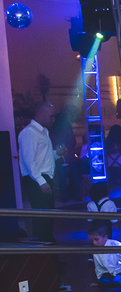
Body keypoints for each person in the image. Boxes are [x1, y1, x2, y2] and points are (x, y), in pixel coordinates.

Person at [18, 100, 56, 242]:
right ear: (42, 114)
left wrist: (57, 154)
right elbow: (29, 161)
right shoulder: (29, 132)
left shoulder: (42, 132)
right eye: (51, 116)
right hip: (37, 180)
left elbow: (41, 157)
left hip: (41, 178)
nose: (53, 119)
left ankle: (48, 253)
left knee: (48, 217)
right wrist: (41, 181)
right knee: (43, 219)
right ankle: (43, 254)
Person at [88, 220, 121, 286]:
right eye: (92, 240)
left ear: (105, 237)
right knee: (103, 283)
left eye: (96, 239)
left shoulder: (115, 244)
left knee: (117, 282)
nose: (94, 242)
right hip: (110, 271)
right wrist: (100, 278)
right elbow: (98, 266)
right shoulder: (95, 250)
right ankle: (114, 279)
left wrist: (115, 273)